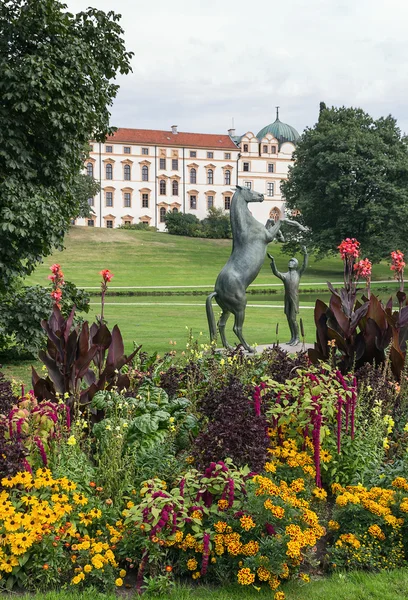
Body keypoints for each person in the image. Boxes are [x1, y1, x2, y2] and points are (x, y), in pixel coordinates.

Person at [268, 246, 308, 345]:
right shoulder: (285, 275)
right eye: (289, 261)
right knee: (289, 319)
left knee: (293, 319)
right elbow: (276, 272)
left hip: (294, 299)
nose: (290, 263)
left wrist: (305, 253)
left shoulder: (298, 273)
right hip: (287, 300)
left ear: (296, 265)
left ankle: (297, 338)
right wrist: (273, 262)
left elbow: (304, 265)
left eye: (292, 262)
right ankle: (292, 337)